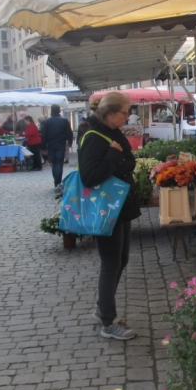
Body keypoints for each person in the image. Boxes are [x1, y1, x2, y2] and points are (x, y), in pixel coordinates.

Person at [78, 91, 140, 341]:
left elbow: (129, 163)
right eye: (125, 112)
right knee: (111, 262)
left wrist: (119, 158)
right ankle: (108, 321)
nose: (128, 116)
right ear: (111, 113)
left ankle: (103, 308)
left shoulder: (113, 133)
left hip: (119, 205)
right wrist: (115, 156)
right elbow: (90, 176)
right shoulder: (93, 137)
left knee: (121, 259)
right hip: (106, 208)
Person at [40, 104, 74, 189]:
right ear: (59, 110)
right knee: (59, 163)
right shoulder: (64, 120)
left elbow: (43, 135)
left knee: (54, 163)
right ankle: (58, 182)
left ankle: (56, 181)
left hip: (51, 144)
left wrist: (43, 147)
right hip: (61, 144)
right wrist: (70, 142)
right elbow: (69, 132)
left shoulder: (47, 121)